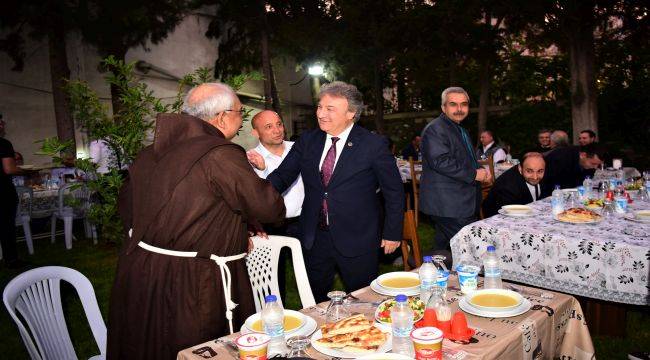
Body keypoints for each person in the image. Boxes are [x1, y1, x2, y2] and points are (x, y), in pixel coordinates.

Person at [107, 83, 286, 359]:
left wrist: (237, 226)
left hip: (145, 270)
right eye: (240, 112)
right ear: (223, 117)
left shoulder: (151, 152)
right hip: (194, 280)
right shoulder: (220, 154)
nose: (240, 122)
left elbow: (132, 206)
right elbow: (270, 207)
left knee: (154, 344)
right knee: (202, 348)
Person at [251, 81, 404, 303]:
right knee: (316, 302)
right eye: (320, 107)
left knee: (364, 301)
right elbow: (281, 177)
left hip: (358, 237)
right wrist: (251, 204)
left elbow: (394, 191)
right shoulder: (307, 141)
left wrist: (392, 232)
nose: (321, 114)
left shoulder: (373, 144)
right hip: (315, 238)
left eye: (330, 109)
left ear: (351, 113)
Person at [419, 87, 491, 252]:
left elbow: (463, 159)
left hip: (455, 203)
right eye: (453, 104)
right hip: (449, 204)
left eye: (463, 104)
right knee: (472, 249)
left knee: (442, 249)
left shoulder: (458, 128)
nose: (459, 109)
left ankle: (430, 271)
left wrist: (479, 169)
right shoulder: (436, 129)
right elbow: (441, 161)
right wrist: (474, 174)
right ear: (444, 107)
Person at [246, 110, 304, 301]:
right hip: (271, 225)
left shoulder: (299, 149)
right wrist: (262, 170)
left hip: (303, 221)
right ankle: (275, 315)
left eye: (279, 124)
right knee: (272, 277)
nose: (277, 130)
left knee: (311, 272)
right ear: (256, 133)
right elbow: (256, 195)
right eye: (268, 127)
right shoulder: (249, 159)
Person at [482, 152, 546, 217]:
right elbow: (507, 216)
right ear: (520, 169)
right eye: (529, 171)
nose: (535, 177)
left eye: (540, 171)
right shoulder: (507, 187)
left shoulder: (546, 174)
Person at [0, 116, 25, 268]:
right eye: (1, 122)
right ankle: (11, 260)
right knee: (6, 226)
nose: (3, 125)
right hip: (2, 192)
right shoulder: (3, 144)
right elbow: (9, 169)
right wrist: (24, 171)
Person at [542, 143, 606, 193]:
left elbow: (585, 180)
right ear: (582, 155)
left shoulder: (588, 162)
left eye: (598, 165)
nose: (595, 167)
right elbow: (551, 184)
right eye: (593, 164)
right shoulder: (560, 159)